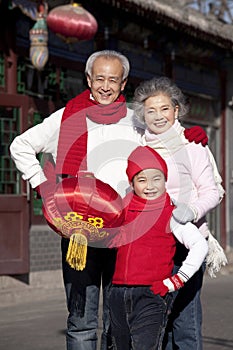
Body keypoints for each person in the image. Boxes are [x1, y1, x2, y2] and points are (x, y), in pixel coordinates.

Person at [9, 50, 207, 350]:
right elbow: (20, 146)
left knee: (120, 321)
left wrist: (188, 138)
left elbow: (163, 140)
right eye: (98, 78)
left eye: (112, 80)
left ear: (123, 83)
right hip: (80, 234)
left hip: (125, 234)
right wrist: (44, 188)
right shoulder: (65, 117)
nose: (105, 86)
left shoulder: (135, 121)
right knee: (81, 322)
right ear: (88, 79)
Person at [132, 76, 226, 350]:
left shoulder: (192, 145)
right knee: (155, 323)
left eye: (165, 109)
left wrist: (192, 210)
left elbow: (211, 191)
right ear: (142, 115)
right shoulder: (140, 148)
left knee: (185, 323)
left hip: (187, 246)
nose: (158, 116)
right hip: (150, 246)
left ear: (177, 110)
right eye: (151, 110)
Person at [109, 145, 209, 350]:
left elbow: (199, 245)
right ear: (132, 183)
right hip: (118, 293)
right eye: (142, 180)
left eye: (157, 178)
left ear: (165, 180)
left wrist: (176, 280)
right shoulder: (122, 210)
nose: (150, 186)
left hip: (152, 294)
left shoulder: (171, 214)